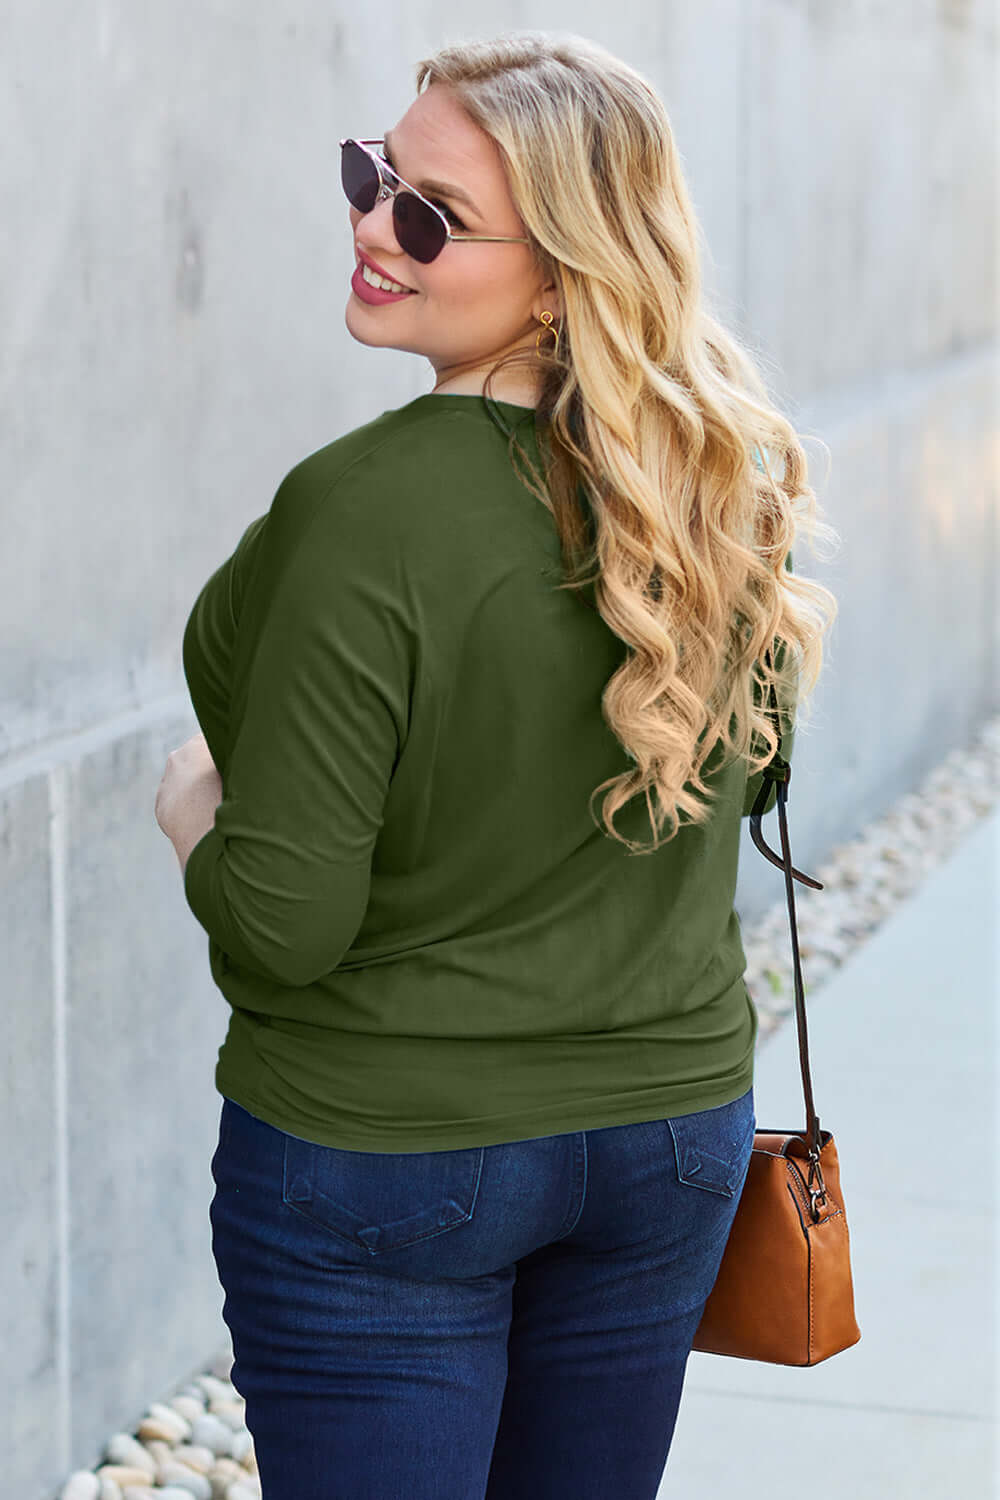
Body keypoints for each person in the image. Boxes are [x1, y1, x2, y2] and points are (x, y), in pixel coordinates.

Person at [157, 28, 838, 1500]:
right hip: (665, 1145)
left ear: (567, 265)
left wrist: (188, 815)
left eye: (426, 214)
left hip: (387, 1157)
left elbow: (283, 932)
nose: (367, 226)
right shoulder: (724, 491)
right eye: (369, 173)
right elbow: (760, 782)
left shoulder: (361, 512)